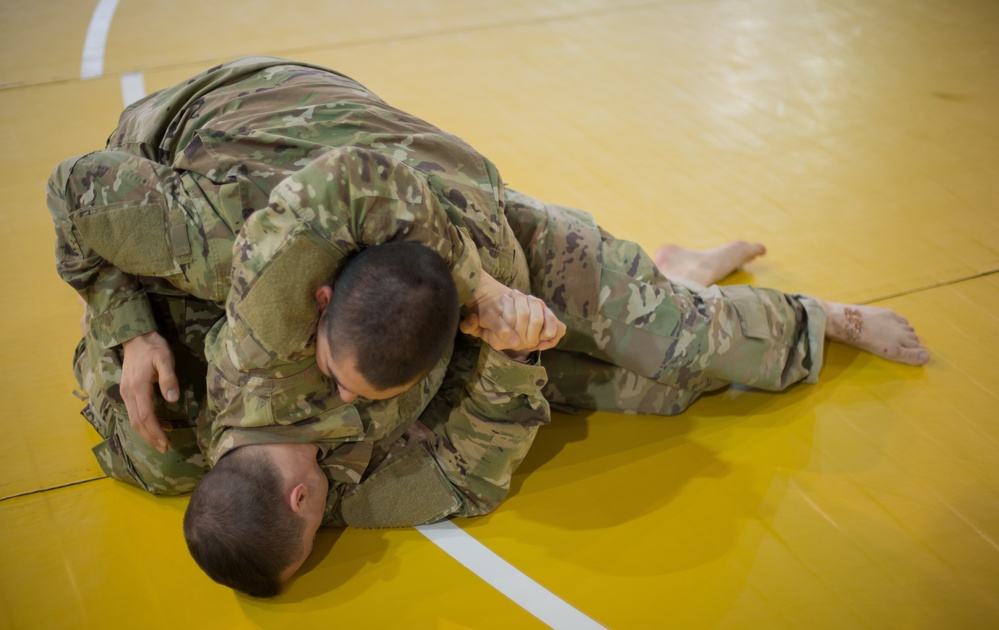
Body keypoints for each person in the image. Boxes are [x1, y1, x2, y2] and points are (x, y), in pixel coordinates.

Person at [49, 57, 929, 597]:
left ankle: (821, 318)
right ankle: (679, 269)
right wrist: (512, 358)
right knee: (642, 387)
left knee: (675, 336)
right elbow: (471, 475)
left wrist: (478, 290)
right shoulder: (168, 440)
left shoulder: (256, 266)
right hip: (391, 272)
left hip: (254, 126)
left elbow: (81, 187)